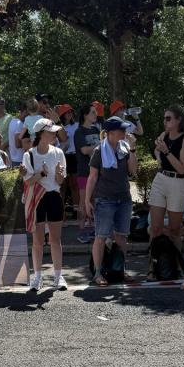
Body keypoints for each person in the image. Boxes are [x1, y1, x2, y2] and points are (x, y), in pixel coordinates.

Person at [85, 116, 137, 286]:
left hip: (124, 199)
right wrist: (87, 200)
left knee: (121, 237)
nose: (125, 132)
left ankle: (120, 270)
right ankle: (98, 273)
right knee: (101, 237)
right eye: (122, 129)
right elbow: (92, 178)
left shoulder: (125, 148)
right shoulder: (99, 151)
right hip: (104, 200)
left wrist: (133, 150)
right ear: (111, 133)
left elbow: (133, 171)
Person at [22, 119, 67, 290]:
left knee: (55, 239)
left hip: (54, 196)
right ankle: (37, 277)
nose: (55, 134)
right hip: (37, 199)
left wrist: (59, 175)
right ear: (41, 134)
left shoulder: (58, 152)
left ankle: (58, 276)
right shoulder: (29, 155)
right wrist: (41, 173)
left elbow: (60, 181)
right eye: (51, 131)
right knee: (37, 241)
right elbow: (28, 182)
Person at [149, 105, 184, 249]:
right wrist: (159, 157)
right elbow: (157, 151)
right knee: (155, 229)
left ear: (179, 120)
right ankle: (153, 262)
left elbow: (182, 168)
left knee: (175, 231)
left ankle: (175, 262)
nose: (165, 121)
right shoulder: (164, 135)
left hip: (178, 182)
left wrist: (166, 152)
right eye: (164, 118)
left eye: (168, 118)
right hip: (160, 179)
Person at [74, 103, 102, 242]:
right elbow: (84, 150)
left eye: (96, 112)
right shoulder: (79, 132)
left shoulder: (97, 129)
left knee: (95, 201)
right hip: (84, 171)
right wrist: (100, 144)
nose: (96, 114)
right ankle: (81, 230)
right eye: (93, 112)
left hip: (97, 171)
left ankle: (92, 229)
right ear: (85, 115)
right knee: (84, 201)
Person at [57, 105, 79, 214]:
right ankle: (61, 211)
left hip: (74, 156)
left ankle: (76, 210)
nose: (70, 113)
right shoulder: (57, 127)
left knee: (74, 184)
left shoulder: (77, 125)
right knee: (62, 185)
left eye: (71, 111)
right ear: (62, 115)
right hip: (62, 156)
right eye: (67, 112)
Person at [8, 101, 27, 166]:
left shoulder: (13, 121)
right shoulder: (19, 124)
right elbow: (18, 144)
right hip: (20, 159)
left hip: (15, 158)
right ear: (25, 111)